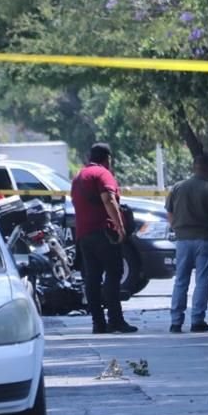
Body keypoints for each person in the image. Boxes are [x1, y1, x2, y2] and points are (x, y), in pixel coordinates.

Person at [71, 143, 136, 334]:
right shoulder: (102, 174)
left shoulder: (78, 177)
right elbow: (108, 199)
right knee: (114, 274)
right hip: (104, 232)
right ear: (108, 159)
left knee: (92, 278)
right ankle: (115, 320)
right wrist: (120, 226)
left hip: (84, 235)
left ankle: (98, 323)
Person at [166, 153, 208, 333]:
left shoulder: (177, 187)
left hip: (183, 240)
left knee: (181, 280)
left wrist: (177, 228)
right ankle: (197, 320)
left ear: (194, 167)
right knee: (202, 280)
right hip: (204, 239)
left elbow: (169, 213)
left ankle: (176, 321)